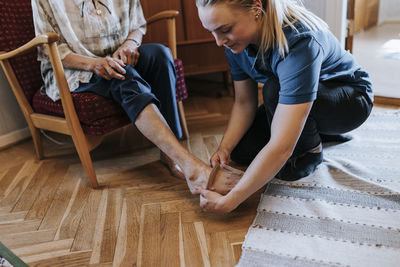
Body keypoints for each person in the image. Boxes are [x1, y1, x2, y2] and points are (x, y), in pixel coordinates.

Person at [31, 0, 243, 194]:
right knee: (124, 76)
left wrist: (130, 44)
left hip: (119, 57)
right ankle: (191, 167)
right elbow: (48, 49)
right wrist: (94, 64)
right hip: (75, 69)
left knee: (160, 54)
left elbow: (137, 25)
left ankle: (168, 153)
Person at [196, 0, 373, 213]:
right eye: (212, 32)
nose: (218, 41)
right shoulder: (234, 45)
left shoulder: (300, 41)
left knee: (274, 90)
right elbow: (244, 102)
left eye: (225, 30)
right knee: (242, 150)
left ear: (256, 9)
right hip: (303, 98)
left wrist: (231, 200)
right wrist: (224, 147)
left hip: (350, 100)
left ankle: (311, 151)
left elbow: (281, 147)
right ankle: (313, 131)